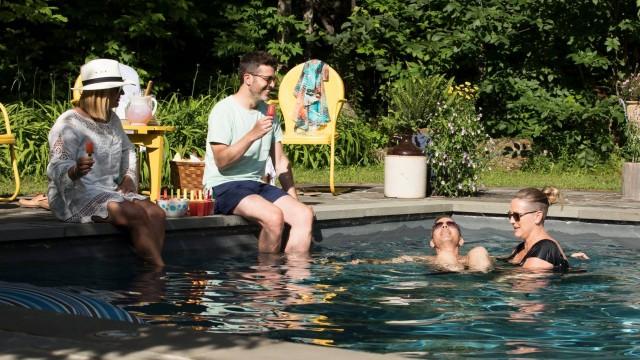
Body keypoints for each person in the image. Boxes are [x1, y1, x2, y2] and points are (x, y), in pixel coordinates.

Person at [47, 58, 165, 267]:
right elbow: (57, 167)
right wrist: (74, 171)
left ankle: (150, 264)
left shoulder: (113, 119)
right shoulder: (68, 124)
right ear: (102, 94)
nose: (121, 95)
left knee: (156, 212)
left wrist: (129, 177)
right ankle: (157, 271)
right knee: (133, 213)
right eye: (117, 91)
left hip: (108, 190)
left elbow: (128, 149)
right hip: (76, 193)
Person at [203, 51, 313, 254]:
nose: (272, 85)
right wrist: (252, 134)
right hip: (223, 186)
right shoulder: (224, 110)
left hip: (256, 185)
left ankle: (296, 282)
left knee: (304, 215)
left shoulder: (268, 112)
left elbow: (280, 161)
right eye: (267, 79)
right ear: (248, 78)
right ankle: (267, 281)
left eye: (274, 79)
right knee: (273, 217)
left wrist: (292, 198)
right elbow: (221, 161)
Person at [353, 215, 493, 273]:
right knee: (445, 256)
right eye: (439, 225)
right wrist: (364, 261)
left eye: (450, 224)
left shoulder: (471, 258)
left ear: (461, 240)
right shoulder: (422, 259)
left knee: (479, 251)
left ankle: (479, 279)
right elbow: (390, 262)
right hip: (446, 288)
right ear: (432, 243)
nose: (444, 226)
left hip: (476, 279)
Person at [505, 187, 587, 272]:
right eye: (509, 215)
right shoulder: (521, 248)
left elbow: (521, 283)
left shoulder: (545, 249)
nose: (511, 220)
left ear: (537, 217)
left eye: (516, 216)